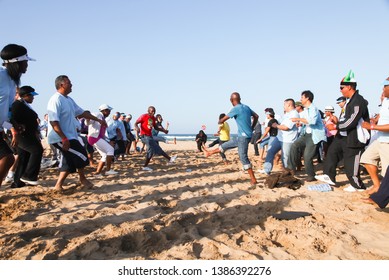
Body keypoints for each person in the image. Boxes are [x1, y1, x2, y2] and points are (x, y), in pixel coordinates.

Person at [47, 75, 107, 191]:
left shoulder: (68, 100)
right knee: (82, 156)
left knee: (68, 161)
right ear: (62, 85)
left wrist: (98, 120)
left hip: (70, 136)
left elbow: (82, 113)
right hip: (59, 137)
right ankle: (82, 180)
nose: (72, 85)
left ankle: (58, 186)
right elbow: (53, 121)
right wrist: (63, 138)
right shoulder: (55, 100)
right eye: (69, 83)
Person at [316, 71, 370, 192]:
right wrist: (337, 124)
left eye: (342, 87)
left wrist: (336, 127)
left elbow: (352, 121)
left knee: (351, 163)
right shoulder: (349, 101)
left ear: (349, 87)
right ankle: (329, 176)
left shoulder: (358, 101)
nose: (340, 90)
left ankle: (358, 186)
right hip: (342, 136)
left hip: (354, 137)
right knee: (331, 153)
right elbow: (344, 119)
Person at [204, 92, 259, 186]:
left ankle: (253, 179)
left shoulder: (235, 109)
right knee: (225, 145)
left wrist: (221, 119)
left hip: (244, 136)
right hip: (242, 136)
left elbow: (221, 120)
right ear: (240, 99)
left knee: (243, 157)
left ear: (231, 100)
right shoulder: (246, 107)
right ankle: (209, 152)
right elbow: (256, 116)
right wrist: (251, 127)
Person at [0, 44, 35, 187]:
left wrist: (12, 124)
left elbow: (6, 109)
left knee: (8, 159)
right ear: (17, 63)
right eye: (25, 61)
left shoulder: (13, 81)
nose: (27, 65)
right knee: (8, 159)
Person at [287, 90, 326, 182]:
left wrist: (298, 119)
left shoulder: (313, 109)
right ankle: (290, 168)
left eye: (302, 97)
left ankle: (311, 175)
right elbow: (305, 121)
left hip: (314, 136)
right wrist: (300, 123)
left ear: (307, 98)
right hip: (305, 134)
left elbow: (312, 121)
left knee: (307, 156)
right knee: (294, 146)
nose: (301, 99)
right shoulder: (305, 110)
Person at [359, 77, 389, 195]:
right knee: (366, 158)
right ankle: (377, 186)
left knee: (387, 172)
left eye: (385, 86)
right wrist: (375, 120)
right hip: (380, 139)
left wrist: (372, 127)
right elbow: (382, 115)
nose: (383, 89)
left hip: (387, 141)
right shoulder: (385, 100)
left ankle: (382, 197)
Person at [9, 86, 43, 187]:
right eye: (31, 96)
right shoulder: (17, 105)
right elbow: (10, 119)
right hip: (22, 135)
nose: (33, 98)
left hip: (29, 134)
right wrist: (15, 132)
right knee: (37, 150)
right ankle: (29, 176)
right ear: (25, 95)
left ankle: (18, 182)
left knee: (24, 157)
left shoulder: (24, 105)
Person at [258, 99, 299, 175]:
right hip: (279, 137)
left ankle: (288, 173)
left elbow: (286, 127)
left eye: (284, 105)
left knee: (285, 158)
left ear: (289, 105)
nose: (283, 106)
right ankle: (267, 170)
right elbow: (281, 123)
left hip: (288, 139)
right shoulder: (287, 114)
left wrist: (276, 125)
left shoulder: (294, 114)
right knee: (270, 151)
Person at [134, 106, 177, 171]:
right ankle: (170, 159)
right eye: (152, 111)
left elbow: (156, 127)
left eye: (154, 111)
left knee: (151, 151)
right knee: (156, 148)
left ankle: (145, 167)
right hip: (144, 136)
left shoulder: (153, 118)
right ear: (148, 111)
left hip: (149, 136)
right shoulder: (143, 116)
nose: (153, 112)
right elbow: (136, 123)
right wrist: (137, 128)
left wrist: (164, 131)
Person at [87, 104, 118, 176]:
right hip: (94, 137)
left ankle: (98, 173)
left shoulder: (102, 117)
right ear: (104, 110)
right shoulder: (97, 114)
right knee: (110, 150)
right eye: (109, 111)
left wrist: (107, 140)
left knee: (104, 155)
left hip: (97, 138)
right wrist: (88, 118)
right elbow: (88, 122)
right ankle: (108, 170)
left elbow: (102, 132)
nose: (110, 112)